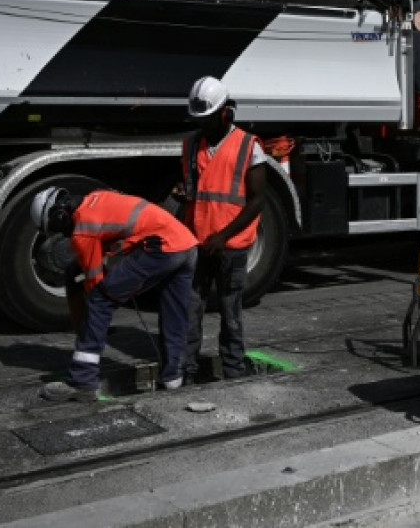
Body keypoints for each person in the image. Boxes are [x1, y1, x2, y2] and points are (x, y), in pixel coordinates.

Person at [35, 186, 199, 401]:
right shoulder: (95, 197)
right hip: (186, 245)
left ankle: (82, 381)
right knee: (174, 313)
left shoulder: (83, 229)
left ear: (59, 216)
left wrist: (83, 317)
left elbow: (94, 284)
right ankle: (173, 380)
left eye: (57, 229)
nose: (63, 235)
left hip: (162, 248)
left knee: (99, 301)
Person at [179, 75, 268, 381]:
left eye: (208, 119)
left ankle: (232, 370)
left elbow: (257, 201)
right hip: (198, 243)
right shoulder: (191, 144)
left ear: (225, 113)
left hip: (231, 246)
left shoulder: (248, 146)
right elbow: (195, 193)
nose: (202, 126)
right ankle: (185, 371)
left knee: (230, 312)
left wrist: (223, 236)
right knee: (191, 309)